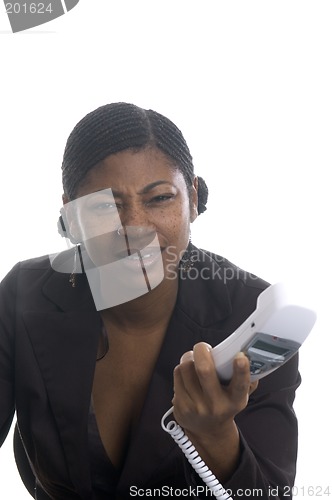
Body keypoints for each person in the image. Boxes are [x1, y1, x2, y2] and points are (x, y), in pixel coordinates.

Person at [0, 102, 300, 499]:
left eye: (159, 198)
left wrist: (216, 437)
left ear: (192, 198)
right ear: (71, 220)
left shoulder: (252, 313)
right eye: (106, 205)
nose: (134, 228)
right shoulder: (26, 292)